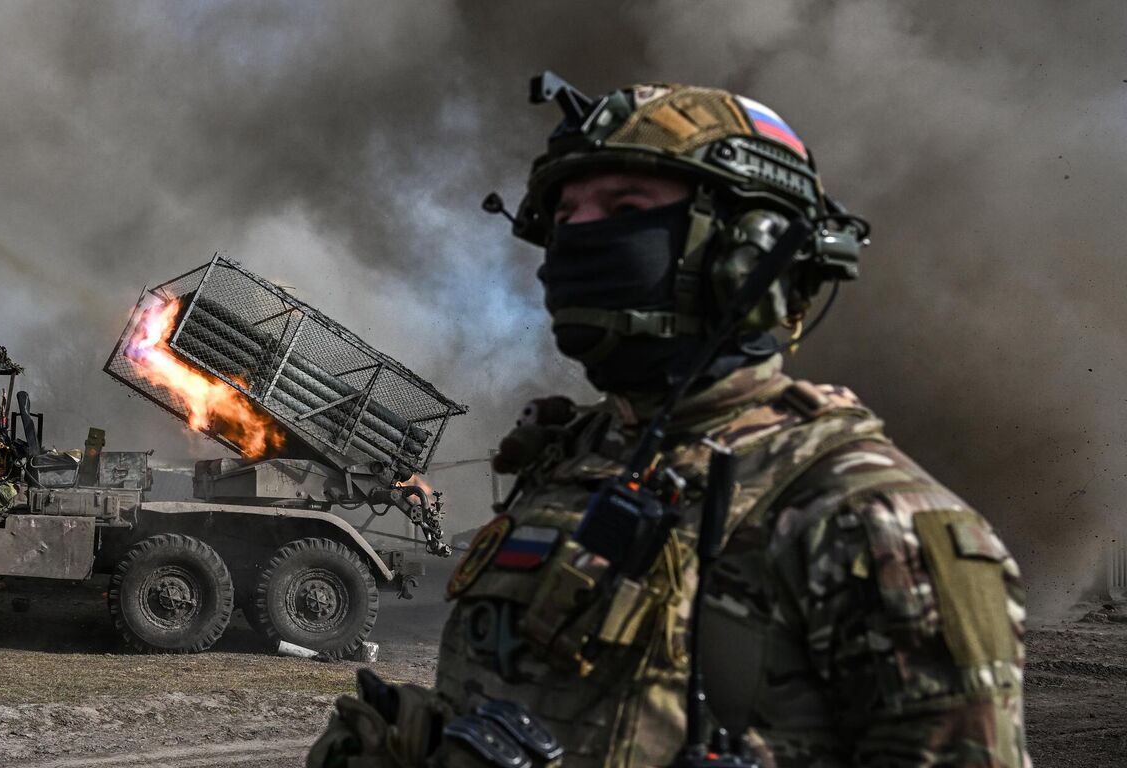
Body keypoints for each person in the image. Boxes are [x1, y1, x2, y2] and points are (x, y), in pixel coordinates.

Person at [308, 76, 1028, 767]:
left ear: (745, 255)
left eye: (624, 212)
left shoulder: (874, 522)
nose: (579, 240)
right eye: (564, 219)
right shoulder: (565, 464)